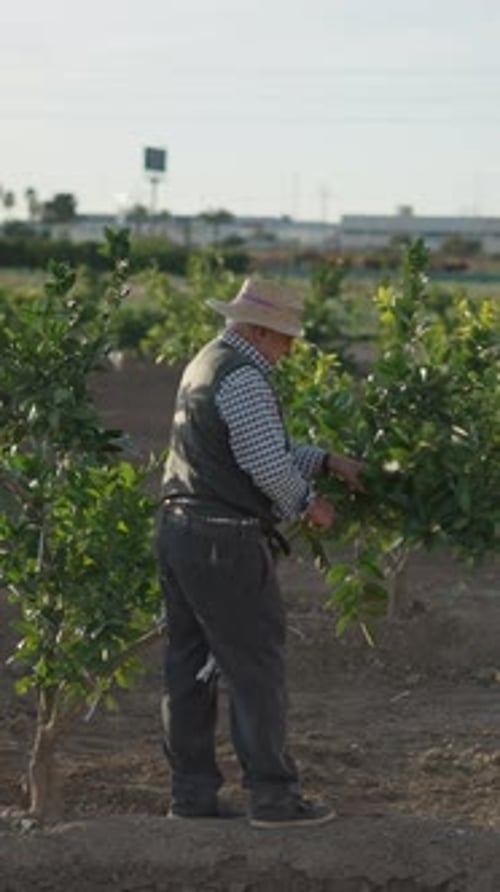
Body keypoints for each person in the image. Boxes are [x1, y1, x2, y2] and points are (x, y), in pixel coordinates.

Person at [157, 274, 364, 828]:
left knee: (189, 665)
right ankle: (273, 798)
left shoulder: (209, 360)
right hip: (224, 539)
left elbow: (249, 445)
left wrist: (323, 459)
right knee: (255, 667)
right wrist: (308, 504)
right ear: (257, 329)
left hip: (180, 529)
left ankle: (192, 796)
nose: (290, 347)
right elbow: (265, 462)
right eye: (283, 336)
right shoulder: (245, 376)